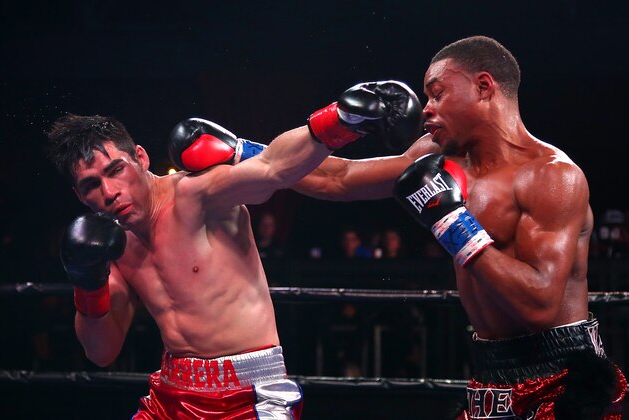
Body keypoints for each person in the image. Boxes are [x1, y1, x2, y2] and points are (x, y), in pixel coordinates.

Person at [289, 36, 627, 418]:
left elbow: (539, 305)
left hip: (561, 380)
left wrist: (451, 222)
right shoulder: (438, 157)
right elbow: (340, 178)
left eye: (437, 94)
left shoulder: (552, 176)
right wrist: (242, 155)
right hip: (489, 373)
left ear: (484, 87)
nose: (426, 110)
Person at [46, 80, 421, 419]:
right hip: (170, 396)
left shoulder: (197, 195)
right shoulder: (109, 245)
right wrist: (87, 282)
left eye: (116, 170)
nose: (109, 192)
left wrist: (341, 120)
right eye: (92, 185)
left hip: (251, 392)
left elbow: (274, 167)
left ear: (140, 158)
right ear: (80, 195)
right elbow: (101, 352)